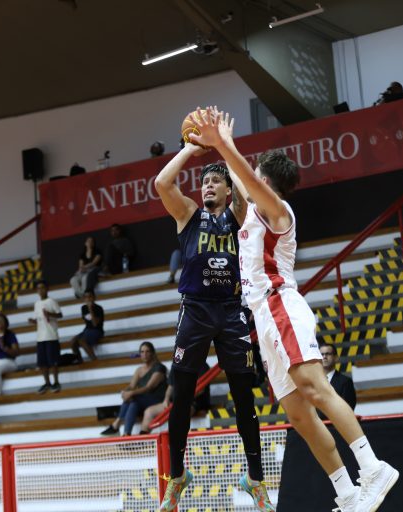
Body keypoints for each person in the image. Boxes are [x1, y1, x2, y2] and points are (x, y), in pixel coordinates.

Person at [190, 107, 398, 512]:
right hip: (263, 317)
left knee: (316, 389)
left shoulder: (279, 212)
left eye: (256, 173)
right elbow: (239, 179)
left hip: (281, 304)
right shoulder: (253, 208)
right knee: (298, 415)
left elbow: (247, 180)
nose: (249, 175)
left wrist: (225, 144)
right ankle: (348, 494)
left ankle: (374, 468)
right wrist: (212, 144)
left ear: (266, 180)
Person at [153, 118, 274, 512]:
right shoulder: (188, 214)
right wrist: (192, 148)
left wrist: (223, 147)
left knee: (244, 398)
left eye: (215, 181)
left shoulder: (239, 215)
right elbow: (162, 183)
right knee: (181, 396)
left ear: (226, 189)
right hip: (195, 310)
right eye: (204, 181)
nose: (207, 185)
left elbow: (248, 192)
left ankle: (255, 479)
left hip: (231, 310)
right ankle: (177, 476)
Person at [100, 342, 167, 436]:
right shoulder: (139, 370)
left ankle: (117, 424)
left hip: (157, 400)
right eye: (142, 352)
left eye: (147, 351)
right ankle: (126, 433)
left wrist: (131, 393)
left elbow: (149, 387)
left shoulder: (160, 368)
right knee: (134, 401)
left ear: (152, 353)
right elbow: (131, 386)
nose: (144, 354)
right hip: (142, 400)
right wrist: (125, 392)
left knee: (134, 397)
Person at [139, 363, 211, 434]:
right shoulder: (176, 364)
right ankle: (143, 439)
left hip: (194, 402)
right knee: (149, 412)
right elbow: (170, 386)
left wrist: (182, 400)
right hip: (176, 402)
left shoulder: (201, 365)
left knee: (180, 412)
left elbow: (201, 390)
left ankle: (174, 439)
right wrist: (166, 400)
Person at [28, 280, 63, 393]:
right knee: (42, 362)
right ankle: (47, 383)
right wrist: (33, 321)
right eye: (38, 288)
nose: (40, 290)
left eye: (42, 287)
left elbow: (60, 315)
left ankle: (56, 382)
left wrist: (49, 314)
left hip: (51, 336)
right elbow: (39, 319)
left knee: (53, 361)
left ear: (47, 289)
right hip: (40, 337)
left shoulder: (51, 301)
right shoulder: (36, 304)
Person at [319, 341, 356, 411]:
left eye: (328, 354)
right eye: (321, 354)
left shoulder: (345, 382)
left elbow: (348, 408)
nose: (324, 357)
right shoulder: (313, 382)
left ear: (336, 358)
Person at [70, 290, 104, 363]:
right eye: (86, 297)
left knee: (82, 341)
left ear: (94, 297)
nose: (88, 299)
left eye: (90, 296)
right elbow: (87, 321)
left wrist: (90, 309)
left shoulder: (98, 308)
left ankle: (94, 360)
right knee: (73, 341)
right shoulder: (83, 308)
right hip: (87, 330)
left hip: (97, 330)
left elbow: (95, 324)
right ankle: (79, 361)